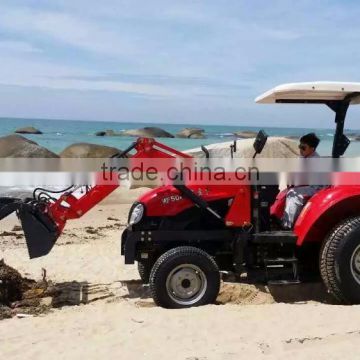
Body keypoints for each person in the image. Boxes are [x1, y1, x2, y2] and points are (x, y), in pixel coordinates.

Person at [282, 133, 321, 229]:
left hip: (316, 188)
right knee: (284, 193)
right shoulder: (305, 156)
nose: (300, 149)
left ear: (312, 149)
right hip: (309, 184)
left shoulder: (314, 160)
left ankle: (287, 225)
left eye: (303, 147)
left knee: (293, 194)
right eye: (300, 146)